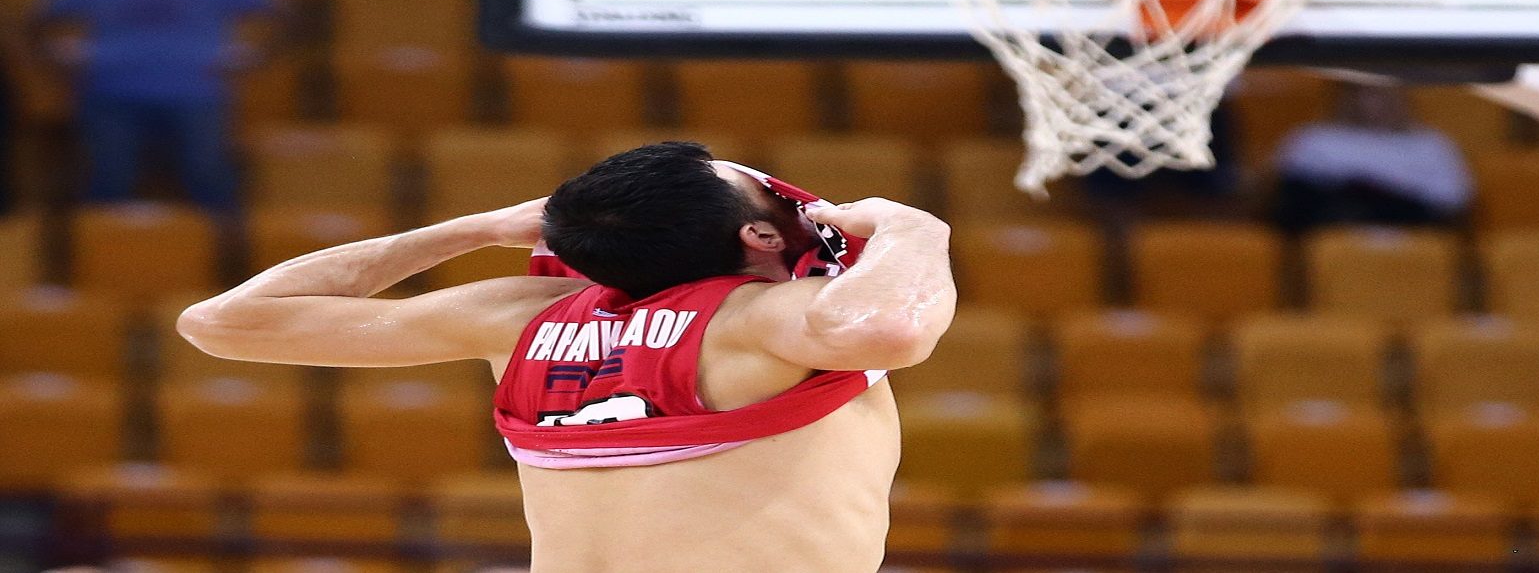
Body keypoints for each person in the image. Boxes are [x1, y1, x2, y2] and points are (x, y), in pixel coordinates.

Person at [178, 142, 957, 572]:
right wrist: (912, 227)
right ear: (759, 235)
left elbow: (224, 323)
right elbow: (891, 328)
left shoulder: (518, 316)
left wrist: (474, 229)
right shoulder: (758, 318)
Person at [30, 0, 290, 212]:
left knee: (207, 175)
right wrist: (54, 61)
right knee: (110, 177)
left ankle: (226, 238)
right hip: (111, 95)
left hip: (196, 94)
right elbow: (36, 23)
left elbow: (287, 16)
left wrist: (259, 57)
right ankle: (103, 238)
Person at [1270, 83, 1472, 231]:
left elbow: (1451, 203)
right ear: (1348, 96)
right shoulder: (1314, 139)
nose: (1381, 102)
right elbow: (1290, 203)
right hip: (1334, 238)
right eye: (1369, 93)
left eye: (1388, 93)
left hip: (1412, 241)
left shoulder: (1431, 144)